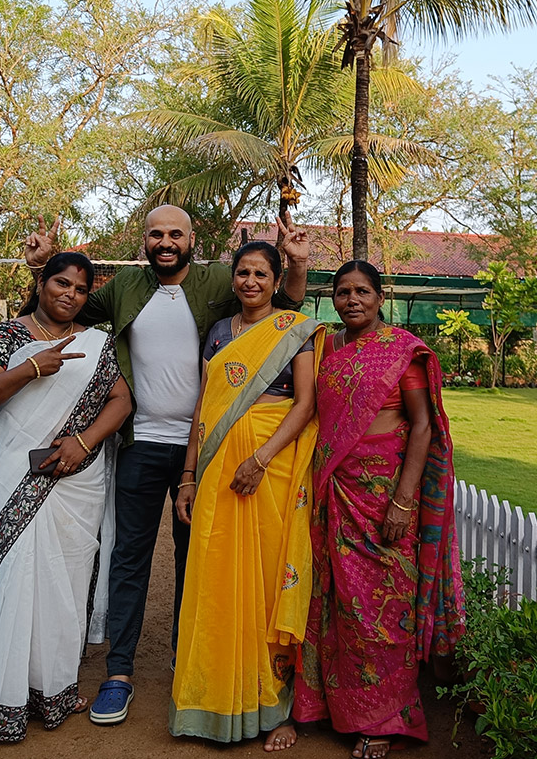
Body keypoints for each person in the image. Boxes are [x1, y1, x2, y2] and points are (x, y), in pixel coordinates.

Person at [21, 205, 309, 726]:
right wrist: (41, 270)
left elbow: (281, 314)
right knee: (128, 557)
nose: (166, 241)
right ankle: (120, 673)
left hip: (207, 450)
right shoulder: (124, 287)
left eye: (176, 233)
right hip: (140, 443)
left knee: (196, 559)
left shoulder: (219, 279)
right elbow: (60, 312)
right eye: (156, 234)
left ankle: (187, 660)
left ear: (193, 238)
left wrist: (295, 265)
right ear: (144, 241)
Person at [293, 260, 465, 759]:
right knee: (337, 602)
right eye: (343, 292)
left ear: (379, 296)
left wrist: (404, 499)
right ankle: (334, 705)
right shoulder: (326, 348)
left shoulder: (401, 352)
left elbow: (423, 427)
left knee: (383, 608)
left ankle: (386, 716)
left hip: (383, 494)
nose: (352, 300)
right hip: (335, 491)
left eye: (362, 291)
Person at [0, 252, 133, 744]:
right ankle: (6, 696)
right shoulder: (5, 336)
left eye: (80, 290)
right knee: (14, 579)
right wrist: (31, 369)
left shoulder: (96, 344)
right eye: (61, 283)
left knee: (66, 585)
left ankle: (53, 689)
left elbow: (121, 400)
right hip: (11, 475)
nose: (69, 295)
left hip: (75, 480)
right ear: (41, 282)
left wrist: (84, 441)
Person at [170, 241, 324, 750]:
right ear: (232, 278)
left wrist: (260, 459)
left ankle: (275, 704)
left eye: (261, 273)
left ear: (277, 280)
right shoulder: (217, 333)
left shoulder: (295, 329)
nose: (250, 281)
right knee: (216, 578)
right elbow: (202, 409)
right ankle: (211, 698)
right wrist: (188, 477)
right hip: (216, 469)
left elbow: (304, 405)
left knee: (265, 578)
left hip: (270, 466)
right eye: (243, 272)